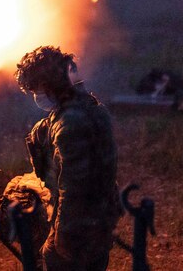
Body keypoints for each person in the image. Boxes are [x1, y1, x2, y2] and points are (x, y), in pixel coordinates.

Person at [16, 46, 122, 271]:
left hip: (78, 228)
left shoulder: (69, 124)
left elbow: (73, 187)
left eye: (35, 88)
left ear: (45, 84)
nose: (35, 95)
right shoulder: (91, 108)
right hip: (102, 221)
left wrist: (62, 237)